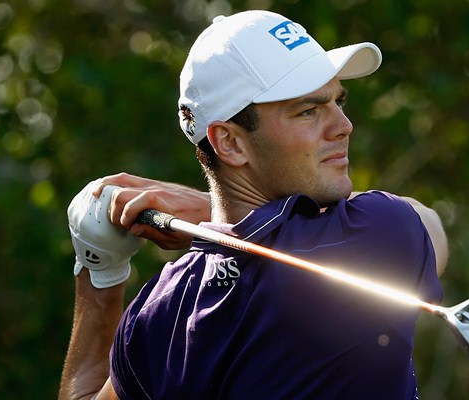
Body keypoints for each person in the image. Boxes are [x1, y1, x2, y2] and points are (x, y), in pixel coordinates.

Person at [59, 10, 448, 400]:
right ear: (229, 143)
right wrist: (204, 209)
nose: (343, 126)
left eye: (337, 102)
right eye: (309, 111)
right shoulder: (375, 232)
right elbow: (428, 222)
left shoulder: (160, 311)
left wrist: (99, 272)